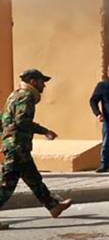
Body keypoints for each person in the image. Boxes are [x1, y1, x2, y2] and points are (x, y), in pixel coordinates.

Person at [0, 69, 73, 226]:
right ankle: (53, 205)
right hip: (17, 146)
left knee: (34, 179)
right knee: (7, 184)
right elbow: (22, 122)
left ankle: (53, 206)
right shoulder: (26, 97)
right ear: (33, 81)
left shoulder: (14, 95)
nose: (44, 85)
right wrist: (45, 131)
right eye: (42, 82)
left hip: (16, 145)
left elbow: (3, 119)